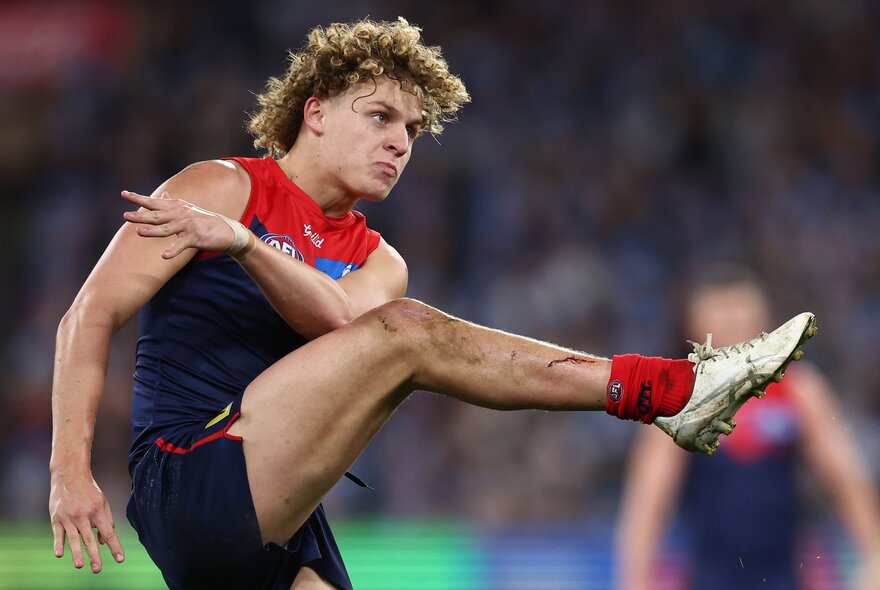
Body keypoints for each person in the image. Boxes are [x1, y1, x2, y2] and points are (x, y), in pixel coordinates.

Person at [49, 18, 815, 590]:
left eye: (412, 130)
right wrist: (68, 472)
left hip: (273, 524)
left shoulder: (379, 260)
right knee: (409, 335)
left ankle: (667, 394)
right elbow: (87, 316)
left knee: (399, 333)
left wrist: (247, 249)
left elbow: (345, 327)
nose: (400, 143)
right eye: (379, 117)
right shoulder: (220, 188)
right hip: (187, 482)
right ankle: (667, 389)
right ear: (314, 112)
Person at [615, 266, 880, 590]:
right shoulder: (676, 403)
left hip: (788, 578)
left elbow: (848, 480)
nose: (732, 327)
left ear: (763, 320)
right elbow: (646, 508)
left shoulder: (800, 391)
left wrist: (874, 558)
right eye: (721, 316)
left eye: (740, 313)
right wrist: (635, 581)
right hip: (707, 580)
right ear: (695, 325)